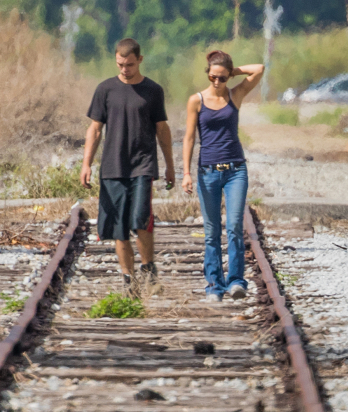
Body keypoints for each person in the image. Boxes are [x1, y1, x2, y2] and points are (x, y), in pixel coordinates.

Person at [80, 37, 175, 294]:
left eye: (130, 64)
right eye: (120, 64)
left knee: (141, 220)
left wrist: (170, 165)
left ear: (140, 60)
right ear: (116, 60)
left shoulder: (153, 91)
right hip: (113, 167)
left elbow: (162, 130)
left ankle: (149, 270)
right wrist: (86, 163)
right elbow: (95, 129)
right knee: (119, 228)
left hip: (142, 166)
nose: (125, 69)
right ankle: (128, 280)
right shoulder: (105, 89)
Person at [182, 49, 264, 302]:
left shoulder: (234, 95)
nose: (217, 82)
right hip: (207, 172)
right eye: (213, 77)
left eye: (222, 78)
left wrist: (232, 71)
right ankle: (214, 286)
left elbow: (259, 68)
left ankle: (237, 281)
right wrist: (186, 173)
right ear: (207, 74)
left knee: (234, 227)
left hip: (235, 170)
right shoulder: (195, 100)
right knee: (211, 231)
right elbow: (189, 138)